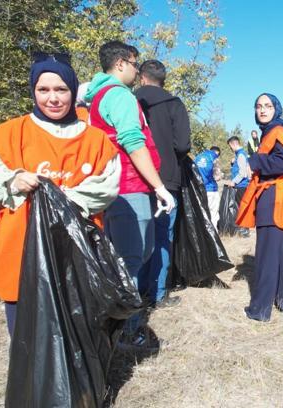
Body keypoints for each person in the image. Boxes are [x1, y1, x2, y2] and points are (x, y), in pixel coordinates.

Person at [0, 52, 120, 338]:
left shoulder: (95, 141)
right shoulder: (8, 135)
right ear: (33, 91)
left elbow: (107, 187)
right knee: (25, 327)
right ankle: (32, 381)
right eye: (43, 89)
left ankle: (76, 382)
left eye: (61, 89)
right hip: (20, 247)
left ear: (73, 91)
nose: (53, 98)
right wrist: (12, 181)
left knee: (76, 318)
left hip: (76, 248)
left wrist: (64, 197)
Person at [84, 41, 175, 348]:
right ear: (121, 63)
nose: (138, 72)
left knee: (128, 258)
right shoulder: (119, 96)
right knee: (130, 261)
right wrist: (160, 187)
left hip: (122, 188)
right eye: (136, 64)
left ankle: (119, 326)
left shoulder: (99, 95)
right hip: (129, 186)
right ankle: (126, 333)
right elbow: (133, 142)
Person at [236, 93, 283, 321]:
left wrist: (253, 161)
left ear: (276, 108)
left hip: (273, 198)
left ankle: (260, 309)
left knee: (266, 254)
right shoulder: (274, 131)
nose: (262, 110)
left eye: (267, 106)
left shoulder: (277, 131)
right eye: (258, 106)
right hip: (279, 197)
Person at [135, 59, 191, 307]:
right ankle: (156, 294)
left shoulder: (129, 101)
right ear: (163, 80)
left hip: (135, 178)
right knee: (161, 237)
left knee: (134, 236)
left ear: (142, 78)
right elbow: (183, 145)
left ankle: (134, 292)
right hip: (167, 179)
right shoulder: (174, 104)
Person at [227, 135, 251, 237]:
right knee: (240, 207)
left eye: (230, 146)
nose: (230, 148)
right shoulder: (238, 155)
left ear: (234, 144)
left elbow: (243, 173)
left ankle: (245, 230)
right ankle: (242, 228)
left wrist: (234, 182)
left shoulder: (241, 155)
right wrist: (233, 163)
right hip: (240, 185)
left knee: (242, 207)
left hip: (241, 186)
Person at [195, 146, 222, 229]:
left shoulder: (197, 157)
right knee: (213, 213)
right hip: (211, 189)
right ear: (217, 153)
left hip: (200, 189)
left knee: (203, 212)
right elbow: (217, 176)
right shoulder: (214, 158)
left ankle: (204, 233)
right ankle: (214, 234)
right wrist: (220, 176)